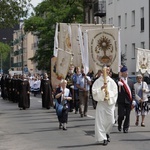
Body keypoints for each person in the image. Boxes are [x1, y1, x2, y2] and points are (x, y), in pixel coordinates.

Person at [92, 65, 118, 146]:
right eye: (105, 70)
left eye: (108, 70)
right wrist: (101, 88)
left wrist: (108, 94)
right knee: (101, 122)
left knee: (111, 121)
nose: (107, 71)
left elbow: (115, 92)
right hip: (101, 103)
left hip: (109, 103)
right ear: (102, 71)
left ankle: (106, 133)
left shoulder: (112, 81)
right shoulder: (97, 81)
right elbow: (94, 92)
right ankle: (103, 138)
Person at [117, 66, 135, 133]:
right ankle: (119, 124)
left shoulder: (130, 81)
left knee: (127, 115)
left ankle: (126, 127)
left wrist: (133, 100)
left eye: (127, 72)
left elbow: (132, 91)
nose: (126, 73)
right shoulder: (119, 80)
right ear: (122, 73)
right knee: (121, 115)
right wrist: (117, 84)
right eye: (125, 72)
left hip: (128, 100)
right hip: (121, 101)